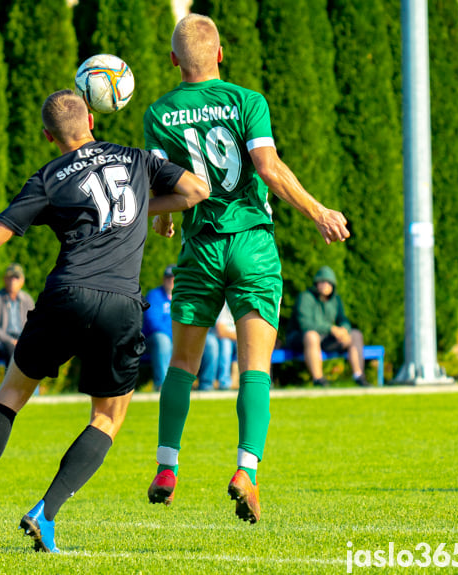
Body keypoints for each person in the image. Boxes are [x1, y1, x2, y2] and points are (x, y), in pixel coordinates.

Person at [0, 89, 208, 553]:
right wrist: (141, 212)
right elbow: (195, 191)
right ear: (92, 122)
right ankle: (47, 511)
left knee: (13, 394)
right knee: (108, 416)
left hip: (67, 294)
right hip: (122, 302)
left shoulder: (49, 177)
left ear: (47, 136)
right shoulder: (136, 158)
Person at [143, 14, 350, 523]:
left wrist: (166, 221)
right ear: (219, 54)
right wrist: (318, 211)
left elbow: (162, 187)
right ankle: (245, 471)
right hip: (252, 245)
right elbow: (267, 168)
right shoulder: (246, 101)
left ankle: (167, 466)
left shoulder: (159, 111)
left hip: (201, 248)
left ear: (174, 60)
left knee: (182, 367)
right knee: (253, 368)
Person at [286, 266, 370, 388]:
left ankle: (359, 376)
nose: (325, 285)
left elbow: (343, 319)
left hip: (325, 339)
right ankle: (318, 379)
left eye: (329, 283)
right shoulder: (305, 297)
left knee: (355, 334)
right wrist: (331, 328)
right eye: (322, 282)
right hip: (300, 339)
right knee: (312, 336)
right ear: (316, 283)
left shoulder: (336, 300)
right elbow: (305, 324)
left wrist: (344, 330)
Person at [143, 265, 218, 391]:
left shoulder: (188, 297)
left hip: (184, 338)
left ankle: (206, 386)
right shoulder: (154, 295)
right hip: (158, 340)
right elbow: (153, 323)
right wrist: (177, 337)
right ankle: (163, 386)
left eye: (174, 278)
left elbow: (198, 319)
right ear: (163, 279)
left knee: (211, 342)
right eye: (168, 278)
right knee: (162, 340)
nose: (171, 281)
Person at [0, 263, 35, 366]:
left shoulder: (27, 300)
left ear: (22, 281)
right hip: (0, 342)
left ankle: (31, 382)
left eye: (16, 278)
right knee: (14, 349)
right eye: (10, 278)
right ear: (4, 279)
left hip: (21, 340)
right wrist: (11, 340)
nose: (12, 281)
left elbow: (33, 326)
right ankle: (13, 381)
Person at [212, 303, 237, 390]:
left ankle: (246, 382)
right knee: (226, 343)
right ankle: (224, 383)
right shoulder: (224, 305)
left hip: (237, 340)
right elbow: (221, 331)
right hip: (224, 340)